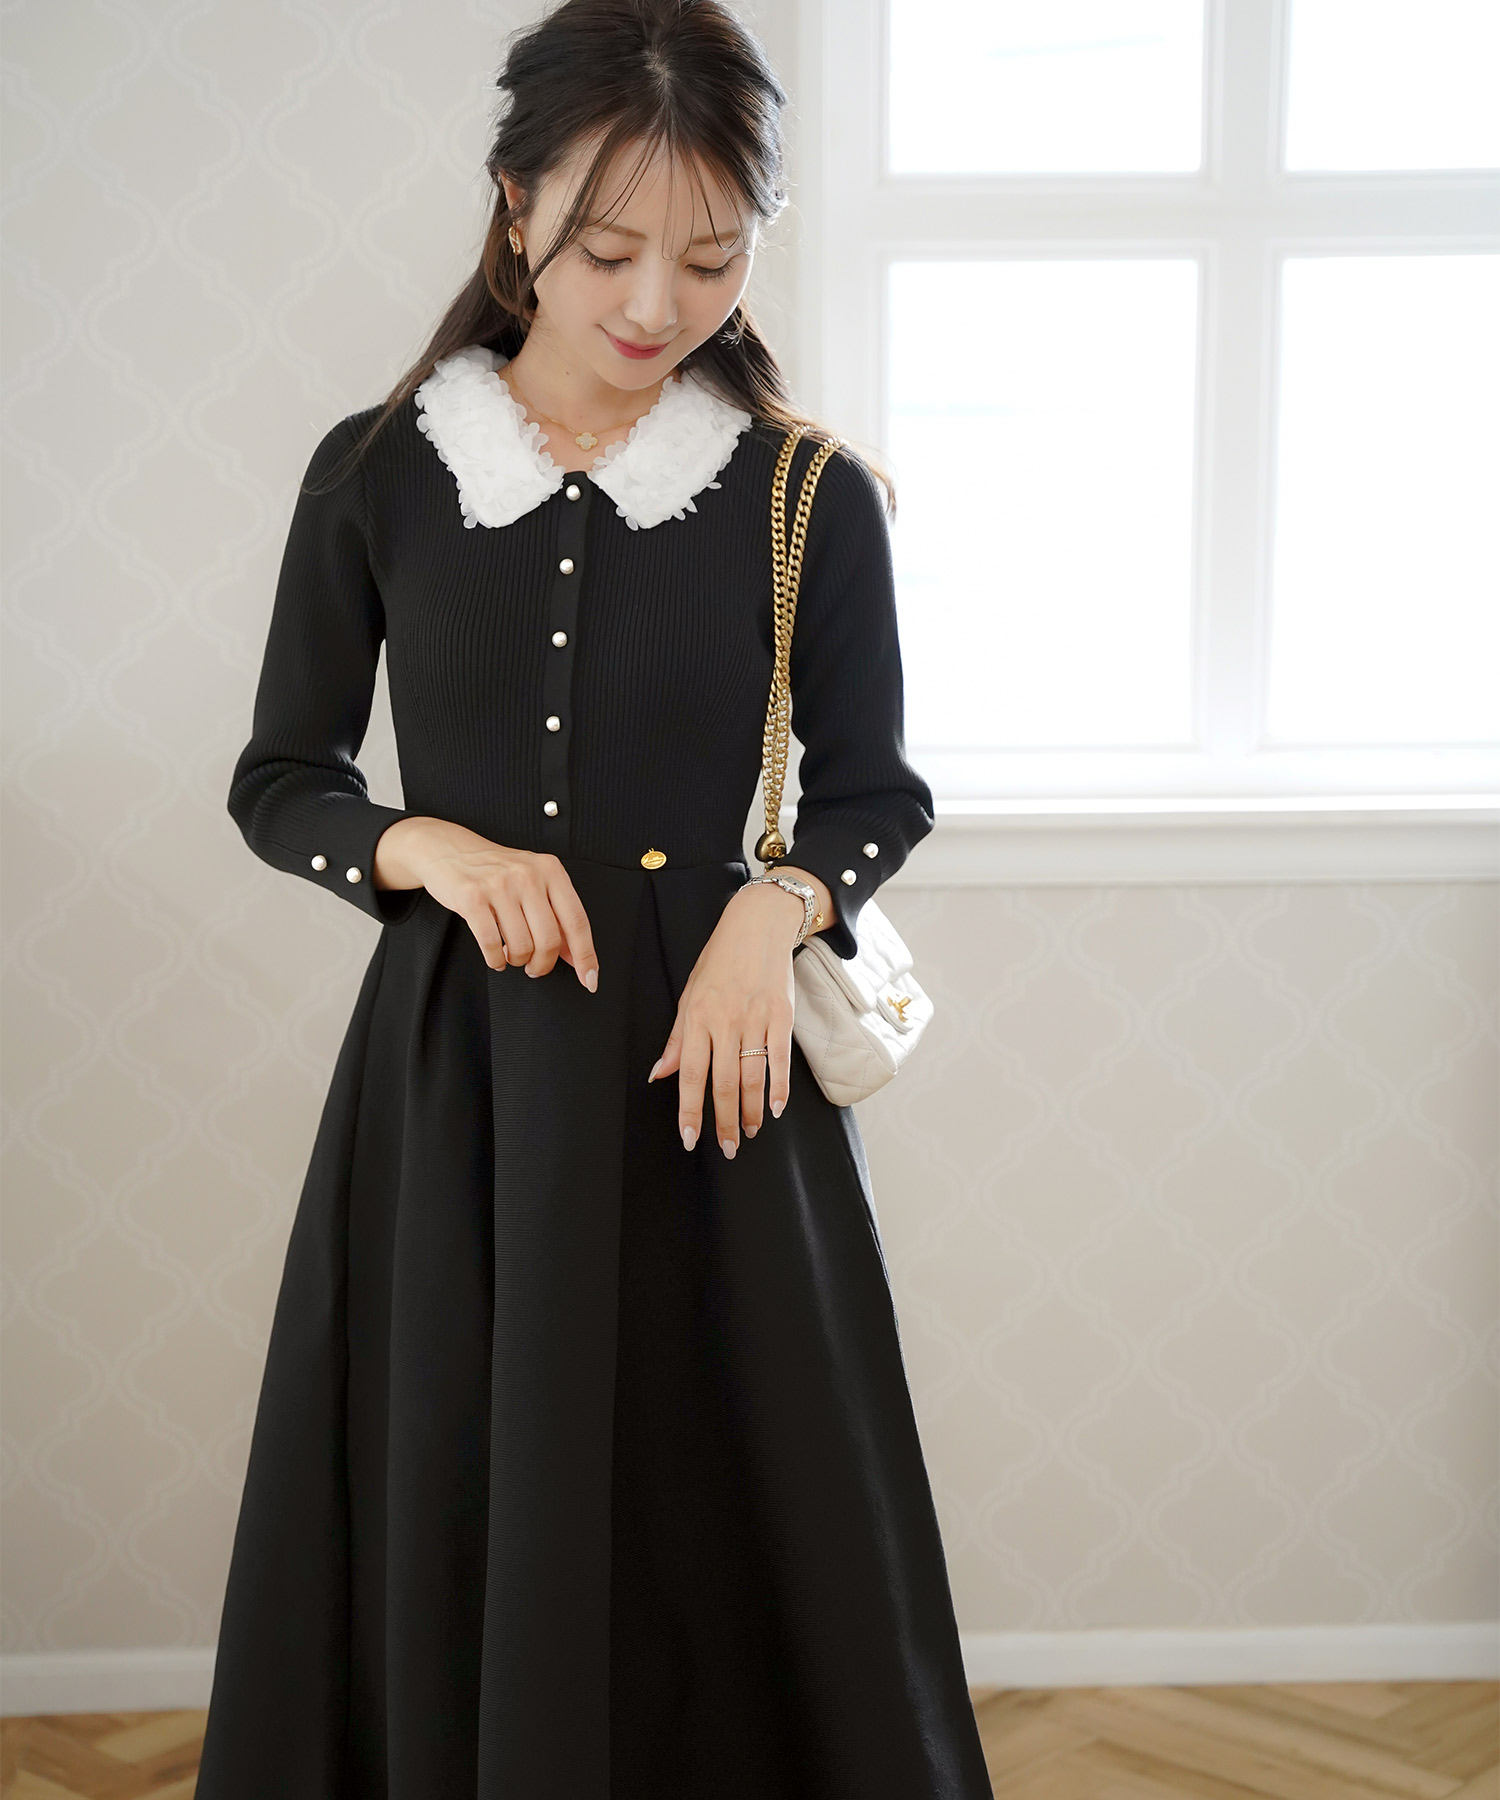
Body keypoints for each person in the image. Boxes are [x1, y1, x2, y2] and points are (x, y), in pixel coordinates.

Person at [193, 1, 992, 1795]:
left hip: (720, 1080)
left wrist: (768, 916)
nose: (657, 304)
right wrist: (429, 849)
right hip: (459, 1079)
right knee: (463, 1475)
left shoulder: (806, 493)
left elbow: (877, 795)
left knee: (735, 1498)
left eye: (712, 258)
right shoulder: (377, 472)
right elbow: (280, 780)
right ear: (515, 207)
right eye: (611, 249)